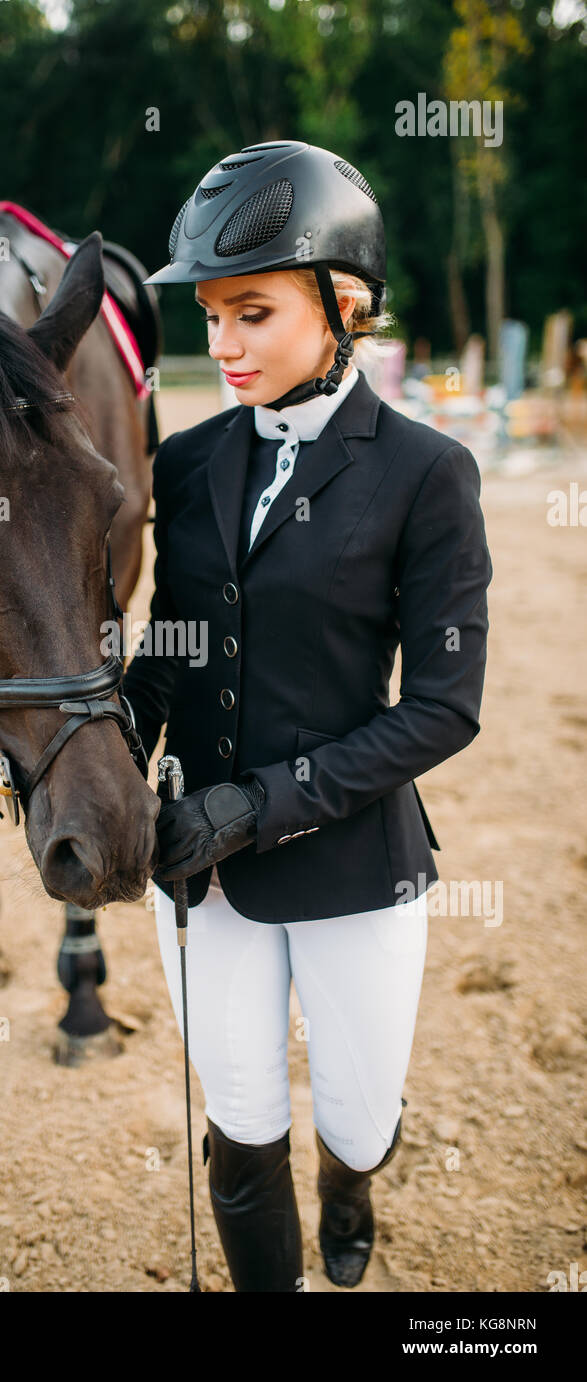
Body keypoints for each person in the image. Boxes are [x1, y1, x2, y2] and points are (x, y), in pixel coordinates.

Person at [122, 141, 492, 1292]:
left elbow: (443, 709)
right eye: (211, 318)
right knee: (238, 1125)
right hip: (201, 872)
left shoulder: (430, 473)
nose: (222, 346)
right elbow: (170, 654)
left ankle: (355, 1179)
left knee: (356, 1112)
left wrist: (254, 806)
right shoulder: (185, 463)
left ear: (346, 307)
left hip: (352, 866)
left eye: (253, 313)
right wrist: (99, 752)